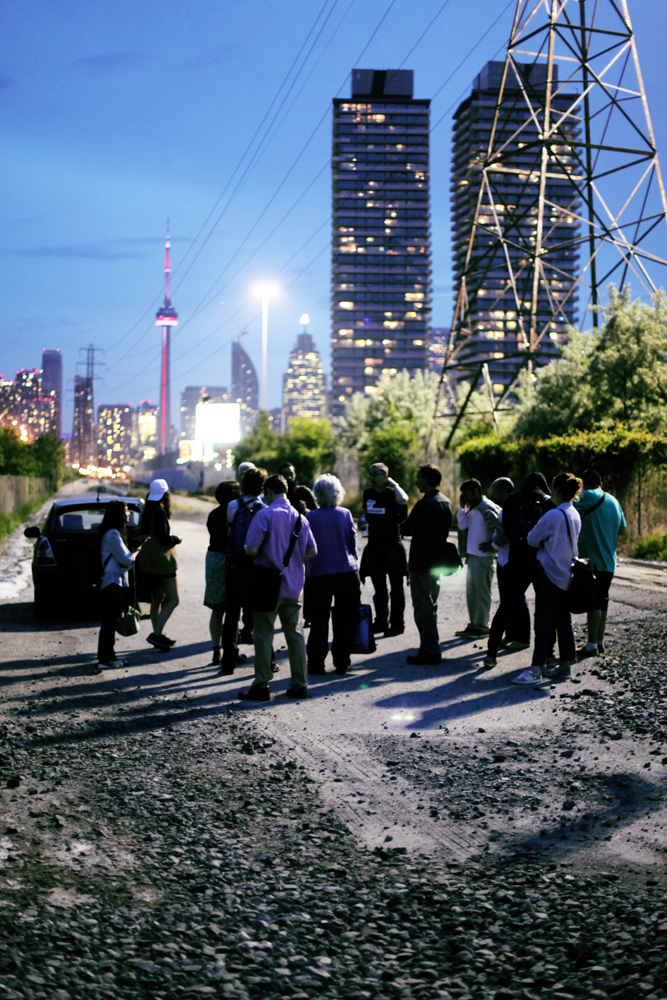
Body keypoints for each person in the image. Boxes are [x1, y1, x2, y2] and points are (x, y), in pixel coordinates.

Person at [239, 475, 317, 701]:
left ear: (269, 492)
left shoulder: (264, 515)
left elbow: (252, 549)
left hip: (267, 586)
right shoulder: (301, 519)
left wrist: (258, 549)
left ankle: (262, 685)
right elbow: (312, 551)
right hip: (294, 587)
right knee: (295, 635)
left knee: (263, 635)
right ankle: (299, 684)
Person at [512, 472, 583, 685]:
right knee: (563, 621)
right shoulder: (574, 514)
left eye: (553, 488)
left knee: (543, 622)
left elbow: (533, 539)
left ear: (559, 490)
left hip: (550, 573)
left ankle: (535, 670)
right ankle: (564, 667)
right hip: (568, 574)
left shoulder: (552, 515)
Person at [304, 474, 360, 676]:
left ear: (317, 495)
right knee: (344, 619)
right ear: (338, 493)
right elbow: (352, 544)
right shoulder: (345, 514)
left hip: (318, 574)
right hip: (346, 571)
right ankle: (342, 661)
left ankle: (316, 664)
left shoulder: (310, 517)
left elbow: (306, 548)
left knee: (319, 621)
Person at [401, 464, 453, 665]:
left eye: (418, 478)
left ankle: (430, 650)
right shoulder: (446, 502)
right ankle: (429, 646)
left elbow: (406, 528)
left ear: (426, 480)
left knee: (424, 608)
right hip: (437, 562)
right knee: (431, 605)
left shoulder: (424, 504)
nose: (416, 482)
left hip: (422, 563)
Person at [574, 469, 626, 657]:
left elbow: (566, 513)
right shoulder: (614, 500)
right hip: (609, 561)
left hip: (591, 560)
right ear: (600, 483)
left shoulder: (585, 496)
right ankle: (600, 641)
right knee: (602, 600)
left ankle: (590, 645)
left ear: (583, 485)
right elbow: (623, 531)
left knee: (592, 602)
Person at [220, 467, 267, 675]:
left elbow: (228, 531)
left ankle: (228, 660)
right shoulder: (264, 507)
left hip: (234, 565)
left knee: (232, 614)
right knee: (259, 614)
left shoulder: (232, 506)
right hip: (256, 566)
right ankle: (266, 659)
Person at [503, 472, 554, 648]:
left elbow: (507, 528)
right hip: (542, 558)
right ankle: (548, 647)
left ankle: (521, 638)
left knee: (516, 597)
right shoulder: (548, 502)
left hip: (517, 556)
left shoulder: (512, 500)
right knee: (545, 602)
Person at [359, 462, 409, 637]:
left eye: (376, 474)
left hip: (392, 548)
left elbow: (404, 500)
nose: (372, 477)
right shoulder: (368, 493)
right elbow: (366, 512)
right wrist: (363, 520)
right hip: (374, 548)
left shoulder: (393, 494)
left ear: (385, 476)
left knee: (396, 588)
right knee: (379, 589)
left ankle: (397, 624)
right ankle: (381, 621)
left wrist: (394, 484)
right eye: (370, 474)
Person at [139, 479, 181, 652]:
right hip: (163, 562)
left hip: (149, 561)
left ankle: (158, 634)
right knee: (173, 599)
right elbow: (163, 538)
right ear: (166, 493)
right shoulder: (160, 511)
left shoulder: (147, 510)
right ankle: (156, 634)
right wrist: (176, 539)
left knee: (157, 599)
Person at [455, 479, 500, 638]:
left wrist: (493, 546)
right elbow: (461, 525)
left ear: (476, 491)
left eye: (466, 494)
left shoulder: (487, 507)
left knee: (482, 593)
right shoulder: (472, 507)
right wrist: (461, 507)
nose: (464, 497)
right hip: (473, 556)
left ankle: (482, 626)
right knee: (472, 593)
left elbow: (500, 530)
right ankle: (473, 625)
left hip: (484, 558)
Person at [204, 480, 241, 667]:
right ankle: (231, 650)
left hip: (213, 559)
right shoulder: (235, 513)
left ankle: (215, 651)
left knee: (217, 609)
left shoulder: (213, 514)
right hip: (228, 559)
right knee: (233, 610)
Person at [97, 500, 136, 670]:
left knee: (111, 622)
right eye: (126, 511)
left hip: (114, 581)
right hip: (111, 582)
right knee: (109, 623)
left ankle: (110, 657)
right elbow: (126, 559)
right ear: (119, 515)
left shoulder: (111, 533)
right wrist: (136, 554)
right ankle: (105, 660)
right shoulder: (112, 534)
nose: (129, 514)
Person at [481, 478, 514, 668]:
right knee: (510, 603)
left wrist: (495, 522)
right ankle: (511, 636)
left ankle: (492, 652)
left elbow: (502, 537)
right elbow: (498, 539)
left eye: (495, 490)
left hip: (508, 562)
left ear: (503, 491)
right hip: (506, 561)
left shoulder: (506, 511)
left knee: (507, 605)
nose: (493, 494)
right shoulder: (505, 510)